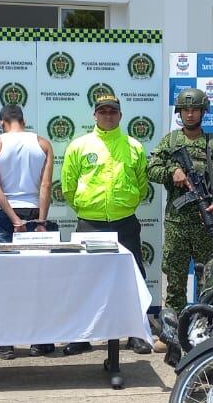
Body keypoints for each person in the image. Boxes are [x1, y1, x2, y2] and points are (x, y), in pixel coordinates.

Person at [61, 92, 152, 355]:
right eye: (103, 111)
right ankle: (82, 335)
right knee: (86, 281)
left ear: (120, 115)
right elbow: (68, 185)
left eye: (112, 111)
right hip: (90, 223)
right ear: (95, 115)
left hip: (125, 222)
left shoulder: (134, 146)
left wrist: (125, 204)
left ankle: (135, 334)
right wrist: (86, 207)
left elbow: (142, 185)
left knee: (133, 278)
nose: (108, 115)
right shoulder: (79, 146)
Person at [0, 104, 57, 359]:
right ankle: (41, 341)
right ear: (23, 121)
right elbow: (46, 185)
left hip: (6, 215)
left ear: (1, 122)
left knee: (5, 281)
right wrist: (41, 220)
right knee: (37, 279)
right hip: (34, 212)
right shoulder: (43, 144)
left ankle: (6, 343)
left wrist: (14, 219)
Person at [147, 87, 213, 313]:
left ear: (203, 112)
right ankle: (173, 328)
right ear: (180, 113)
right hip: (177, 224)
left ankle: (205, 325)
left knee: (209, 283)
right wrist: (172, 171)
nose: (190, 114)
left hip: (206, 223)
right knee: (175, 282)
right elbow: (151, 169)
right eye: (185, 110)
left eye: (195, 110)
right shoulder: (171, 141)